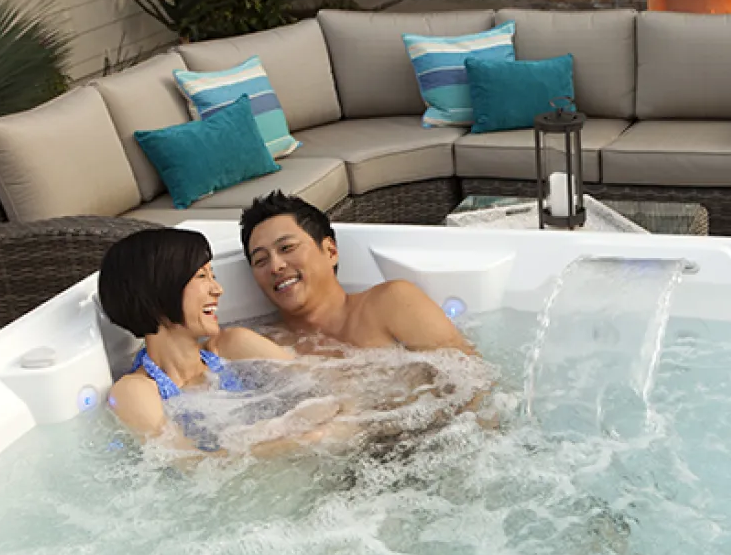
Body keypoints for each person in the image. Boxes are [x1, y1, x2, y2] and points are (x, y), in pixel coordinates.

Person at [97, 227, 347, 455]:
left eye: (212, 275)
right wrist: (300, 440)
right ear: (159, 290)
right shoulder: (135, 391)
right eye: (201, 277)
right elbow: (191, 465)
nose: (217, 290)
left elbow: (328, 383)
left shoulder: (232, 347)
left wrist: (332, 428)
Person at [239, 190, 475, 354]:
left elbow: (471, 383)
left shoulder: (391, 302)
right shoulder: (265, 347)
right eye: (260, 260)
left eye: (287, 248)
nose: (275, 266)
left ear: (330, 251)